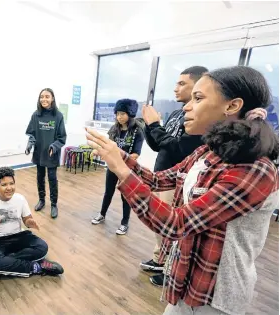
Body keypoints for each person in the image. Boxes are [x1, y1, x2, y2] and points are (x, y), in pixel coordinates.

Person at [86, 65, 278, 315]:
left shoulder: (254, 170)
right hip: (186, 279)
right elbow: (157, 181)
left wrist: (122, 171)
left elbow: (177, 224)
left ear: (232, 106)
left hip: (216, 296)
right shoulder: (207, 151)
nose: (187, 105)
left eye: (198, 98)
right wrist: (119, 155)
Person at [140, 66, 208, 286]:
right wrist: (148, 126)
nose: (176, 88)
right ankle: (160, 259)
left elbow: (179, 149)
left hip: (176, 181)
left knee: (172, 226)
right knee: (160, 225)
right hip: (161, 176)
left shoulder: (197, 118)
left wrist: (154, 125)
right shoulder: (178, 113)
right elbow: (160, 145)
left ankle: (170, 270)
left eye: (182, 84)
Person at [0, 167, 64, 288]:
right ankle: (37, 266)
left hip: (18, 236)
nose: (9, 187)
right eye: (4, 184)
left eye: (11, 183)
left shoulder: (20, 199)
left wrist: (29, 222)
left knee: (42, 247)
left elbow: (27, 219)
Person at [91, 99, 144, 235]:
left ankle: (124, 223)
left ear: (130, 114)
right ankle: (102, 214)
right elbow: (106, 145)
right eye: (117, 114)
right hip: (112, 166)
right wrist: (97, 150)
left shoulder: (137, 131)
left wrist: (121, 159)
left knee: (125, 196)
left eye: (122, 114)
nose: (119, 117)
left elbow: (135, 154)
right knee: (108, 191)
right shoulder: (114, 129)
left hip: (126, 169)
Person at [25, 88, 67, 218]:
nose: (44, 99)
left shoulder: (58, 116)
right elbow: (32, 134)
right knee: (40, 177)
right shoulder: (35, 115)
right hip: (39, 153)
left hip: (51, 154)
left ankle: (54, 204)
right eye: (42, 97)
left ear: (52, 98)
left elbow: (62, 137)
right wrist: (29, 145)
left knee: (52, 179)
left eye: (47, 96)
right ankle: (42, 200)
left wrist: (54, 147)